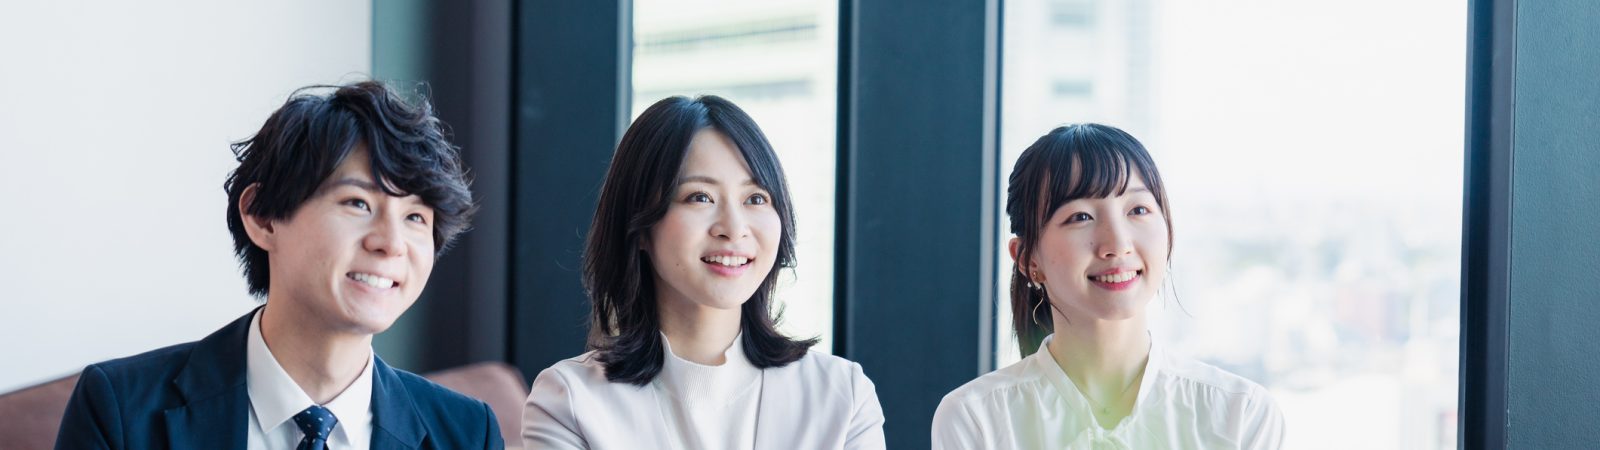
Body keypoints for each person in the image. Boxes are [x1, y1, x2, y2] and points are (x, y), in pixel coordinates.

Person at [54, 81, 503, 449]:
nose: (391, 243)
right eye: (357, 203)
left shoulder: (467, 434)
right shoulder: (119, 411)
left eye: (415, 218)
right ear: (263, 217)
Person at [521, 95, 885, 450]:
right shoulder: (569, 402)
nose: (734, 227)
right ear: (640, 228)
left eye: (755, 198)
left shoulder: (842, 396)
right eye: (700, 197)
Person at [932, 124, 1284, 449]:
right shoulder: (977, 419)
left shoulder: (1241, 415)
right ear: (1027, 259)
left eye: (1138, 210)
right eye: (1080, 217)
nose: (1117, 243)